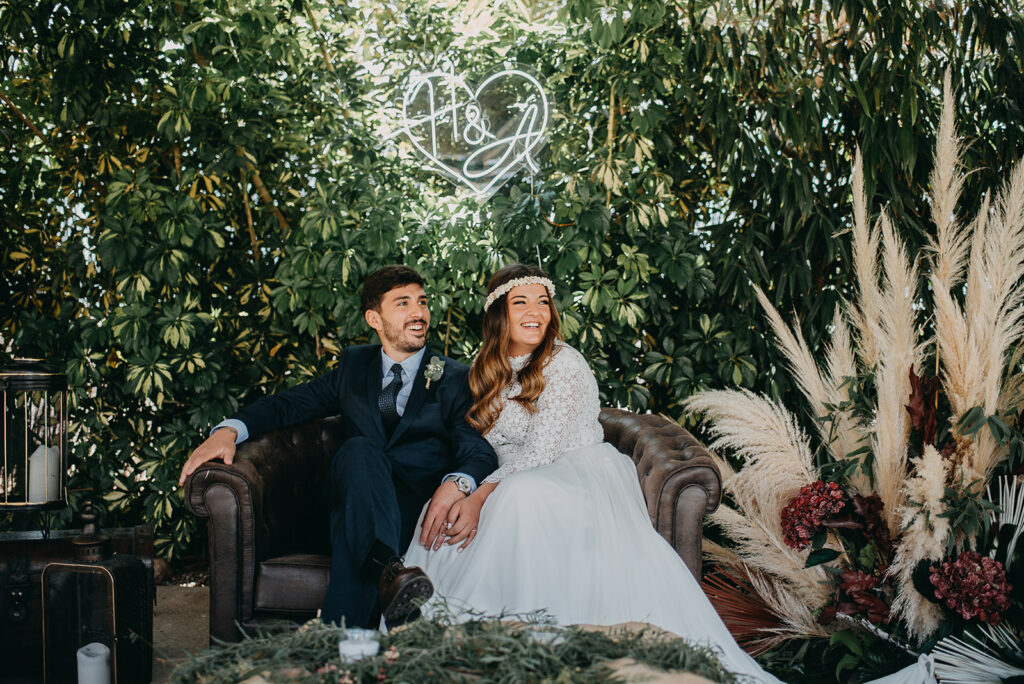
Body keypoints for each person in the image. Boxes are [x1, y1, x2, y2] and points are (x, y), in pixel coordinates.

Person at [403, 263, 784, 683]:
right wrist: (462, 488)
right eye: (520, 302)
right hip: (511, 476)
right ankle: (432, 635)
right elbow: (474, 446)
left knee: (520, 496)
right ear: (499, 314)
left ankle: (517, 636)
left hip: (575, 471)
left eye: (543, 302)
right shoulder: (485, 369)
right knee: (438, 508)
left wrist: (479, 497)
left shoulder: (564, 363)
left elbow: (541, 451)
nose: (535, 312)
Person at [178, 265, 498, 629]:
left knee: (353, 528)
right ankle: (388, 571)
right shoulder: (353, 366)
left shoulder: (453, 376)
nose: (419, 313)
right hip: (348, 493)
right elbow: (289, 404)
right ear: (374, 318)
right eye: (403, 303)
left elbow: (478, 449)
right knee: (360, 450)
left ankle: (345, 637)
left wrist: (457, 483)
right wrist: (229, 431)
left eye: (422, 302)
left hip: (408, 512)